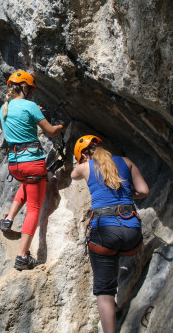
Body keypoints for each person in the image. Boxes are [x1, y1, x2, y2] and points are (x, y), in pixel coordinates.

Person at [71, 135, 149, 333]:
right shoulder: (126, 162)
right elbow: (144, 191)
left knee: (104, 291)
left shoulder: (84, 167)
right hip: (132, 233)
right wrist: (123, 193)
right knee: (114, 252)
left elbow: (73, 176)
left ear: (83, 156)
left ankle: (109, 315)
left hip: (105, 231)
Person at [0, 71, 64, 270]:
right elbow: (51, 131)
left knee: (27, 185)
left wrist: (35, 111)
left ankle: (8, 220)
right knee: (34, 209)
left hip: (15, 163)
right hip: (33, 162)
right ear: (25, 88)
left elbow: (21, 119)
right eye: (30, 90)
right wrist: (62, 125)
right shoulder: (31, 106)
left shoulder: (4, 108)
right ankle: (22, 256)